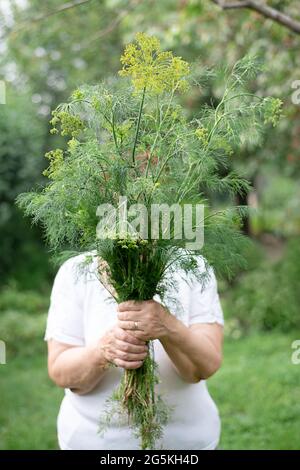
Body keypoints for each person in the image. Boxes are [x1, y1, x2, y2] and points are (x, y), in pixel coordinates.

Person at [45, 253, 224, 450]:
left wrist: (167, 325)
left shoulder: (194, 266)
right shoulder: (75, 270)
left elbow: (205, 366)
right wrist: (103, 350)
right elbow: (60, 370)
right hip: (93, 442)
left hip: (186, 443)